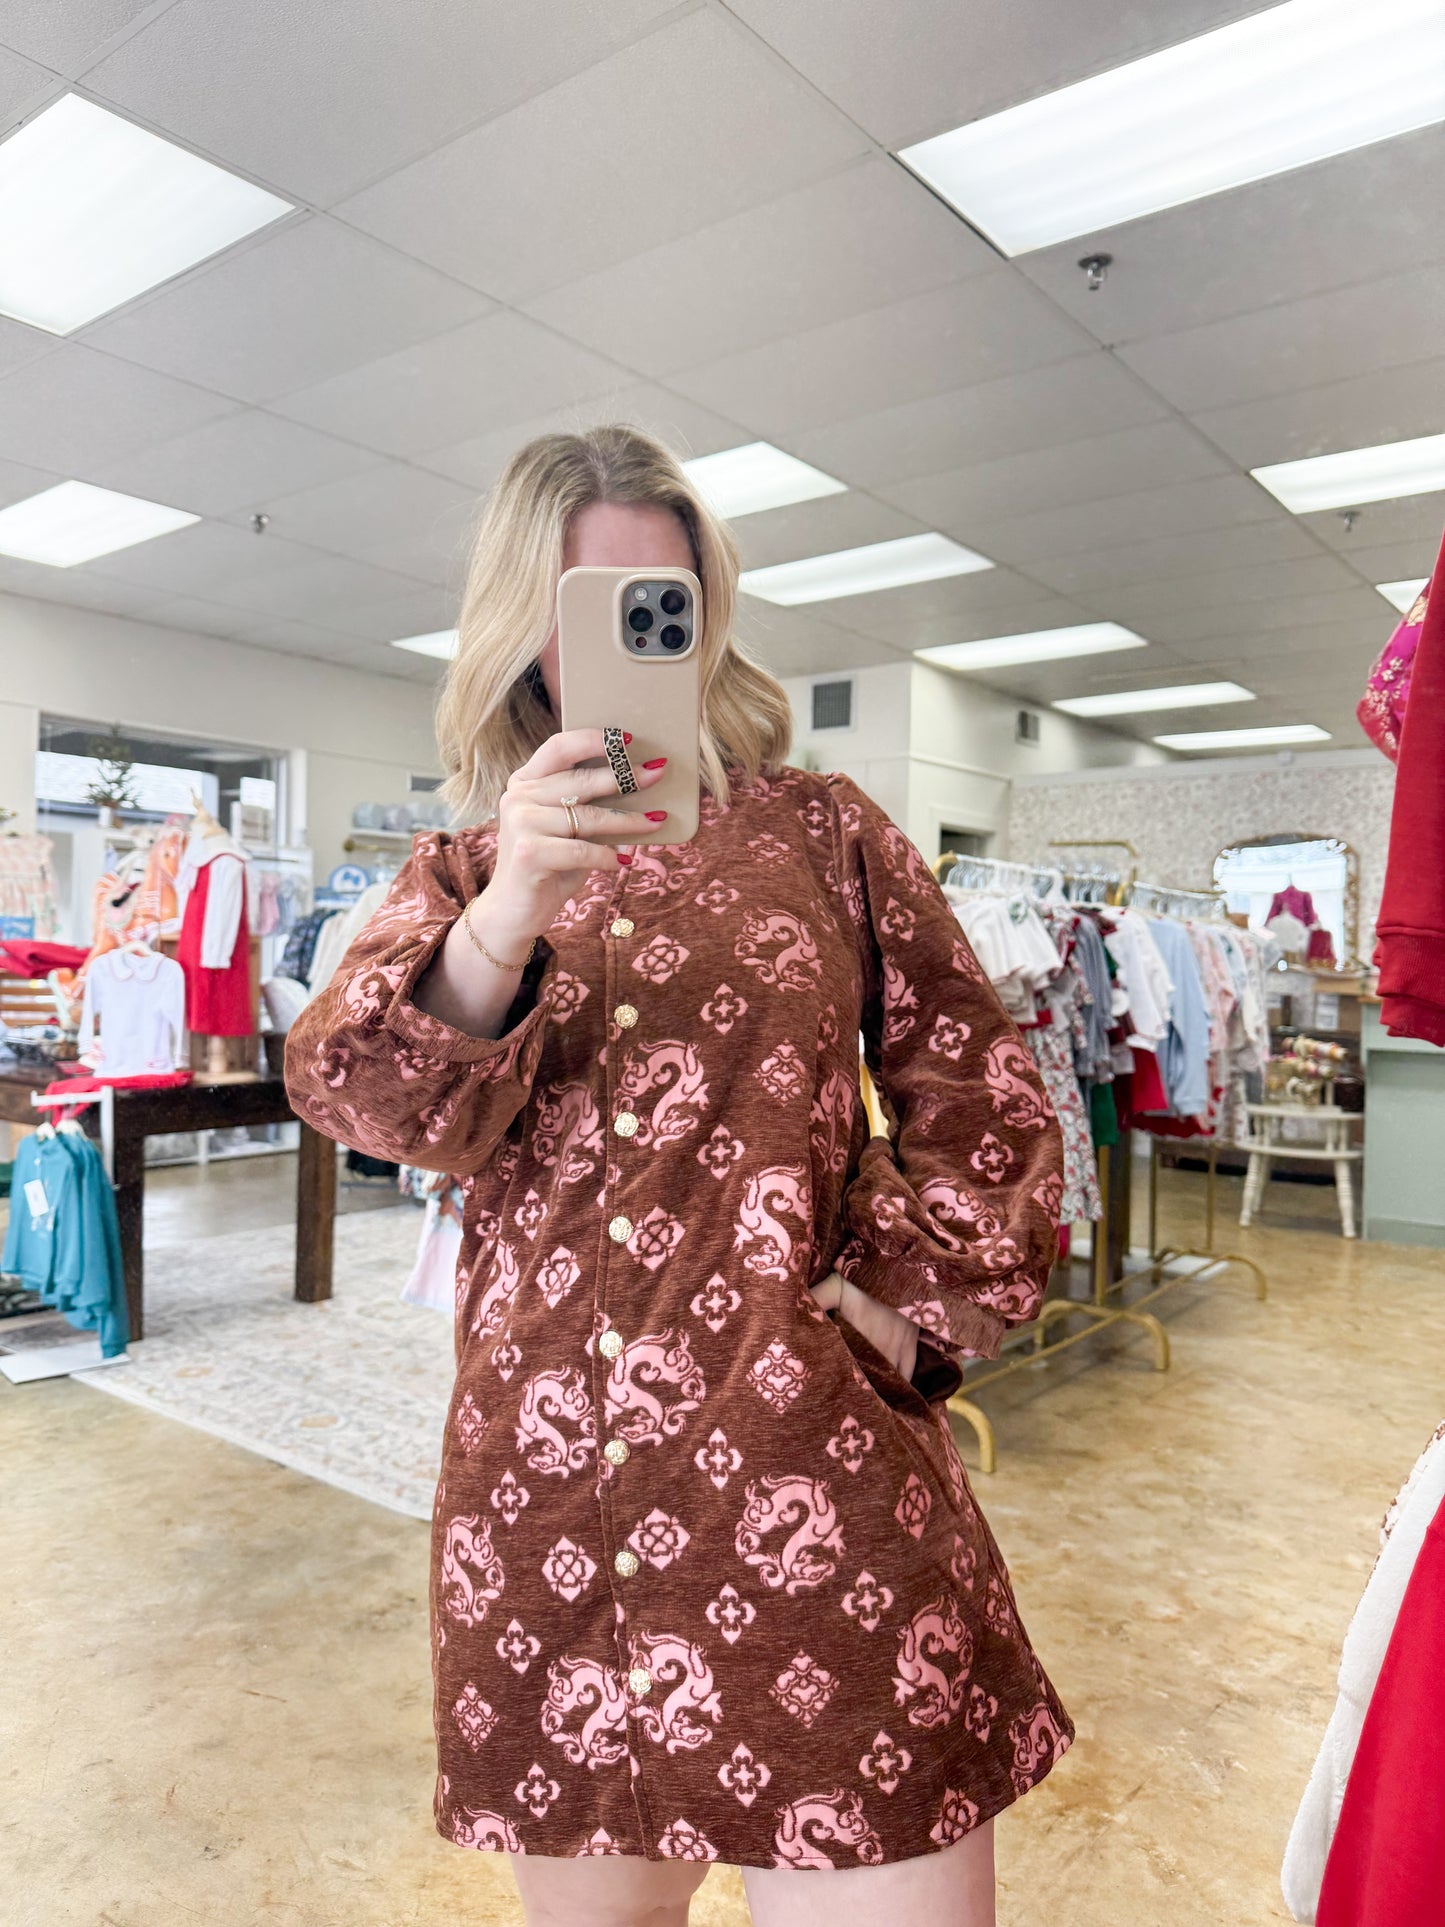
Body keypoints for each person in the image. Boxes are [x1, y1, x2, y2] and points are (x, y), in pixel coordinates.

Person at [286, 425, 1072, 1927]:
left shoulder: (824, 834)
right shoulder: (458, 874)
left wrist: (910, 1305)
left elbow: (982, 1087)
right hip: (549, 1503)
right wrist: (509, 912)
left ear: (708, 608)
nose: (640, 635)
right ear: (526, 627)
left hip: (815, 1476)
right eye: (592, 606)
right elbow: (364, 1101)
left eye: (669, 596)